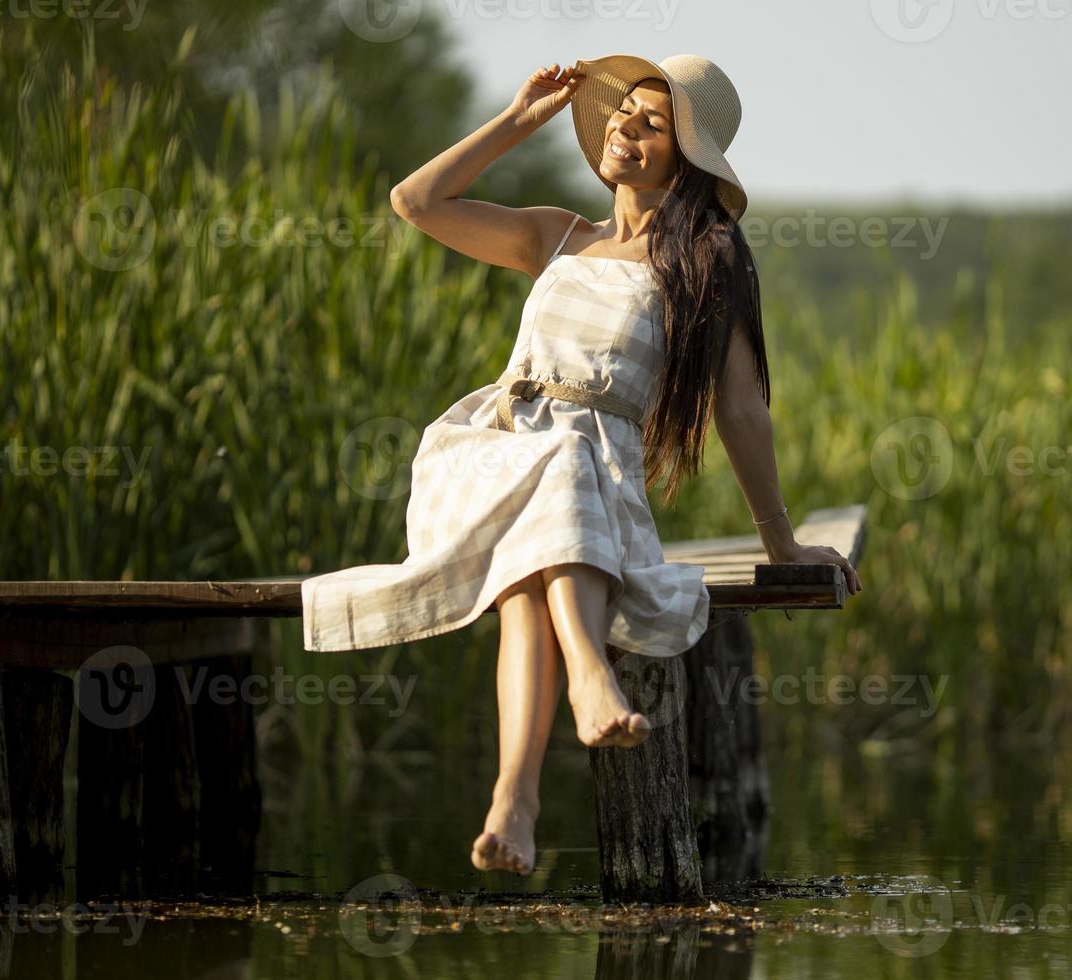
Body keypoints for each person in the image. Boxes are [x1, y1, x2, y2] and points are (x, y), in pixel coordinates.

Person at [300, 54, 862, 876]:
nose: (625, 129)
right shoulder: (557, 235)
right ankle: (590, 680)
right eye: (622, 114)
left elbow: (741, 410)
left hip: (591, 480)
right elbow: (415, 202)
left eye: (652, 125)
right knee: (550, 463)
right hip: (489, 454)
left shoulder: (708, 259)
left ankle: (514, 804)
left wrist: (781, 545)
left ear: (687, 158)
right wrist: (518, 119)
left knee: (533, 574)